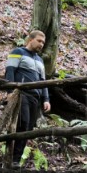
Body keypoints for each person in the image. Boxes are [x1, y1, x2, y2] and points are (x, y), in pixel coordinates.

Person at [4, 30, 51, 166]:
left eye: (43, 42)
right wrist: (10, 91)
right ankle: (11, 159)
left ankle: (16, 160)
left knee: (29, 129)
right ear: (30, 40)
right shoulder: (18, 52)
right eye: (39, 41)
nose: (41, 44)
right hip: (21, 93)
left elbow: (44, 81)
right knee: (22, 123)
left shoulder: (40, 60)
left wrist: (46, 99)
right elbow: (10, 71)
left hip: (35, 98)